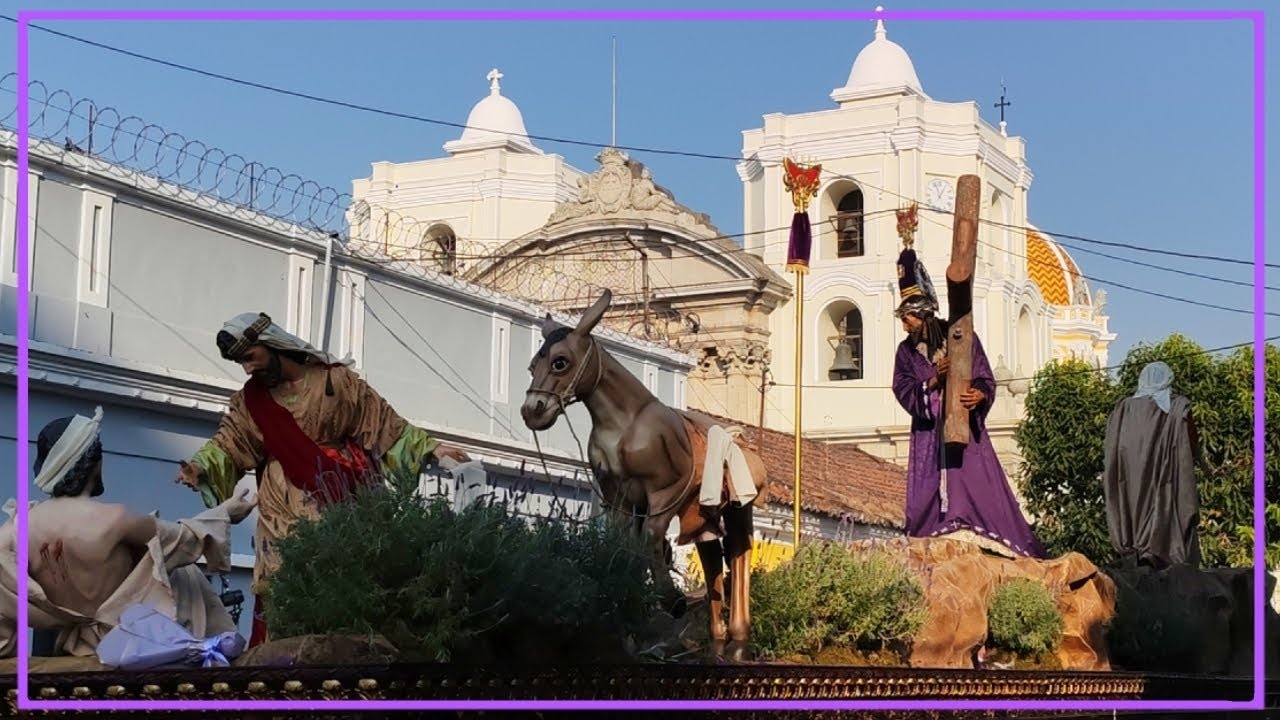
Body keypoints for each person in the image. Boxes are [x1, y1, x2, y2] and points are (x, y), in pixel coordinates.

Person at [175, 312, 469, 648]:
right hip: (280, 508)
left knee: (346, 577)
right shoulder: (251, 401)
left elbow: (383, 422)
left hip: (342, 493)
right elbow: (230, 441)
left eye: (250, 357)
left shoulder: (336, 381)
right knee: (283, 580)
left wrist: (431, 448)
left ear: (271, 344)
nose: (247, 369)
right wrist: (201, 467)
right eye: (241, 362)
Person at [0, 407, 256, 658]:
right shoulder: (115, 520)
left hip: (61, 654)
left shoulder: (17, 529)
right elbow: (185, 539)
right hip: (124, 651)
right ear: (93, 461)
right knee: (182, 572)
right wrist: (225, 513)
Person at [891, 245, 1045, 559]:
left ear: (923, 313)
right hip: (928, 437)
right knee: (926, 496)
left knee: (978, 487)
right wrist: (934, 379)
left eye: (907, 316)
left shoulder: (960, 335)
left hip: (966, 432)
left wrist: (980, 394)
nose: (903, 323)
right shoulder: (905, 352)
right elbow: (902, 389)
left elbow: (984, 376)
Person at [1102, 361, 1205, 569]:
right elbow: (1192, 443)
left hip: (1129, 484)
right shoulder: (1178, 407)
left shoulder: (1123, 409)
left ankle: (1136, 547)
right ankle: (1158, 547)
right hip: (1165, 483)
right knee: (1165, 504)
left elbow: (1113, 450)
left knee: (1132, 505)